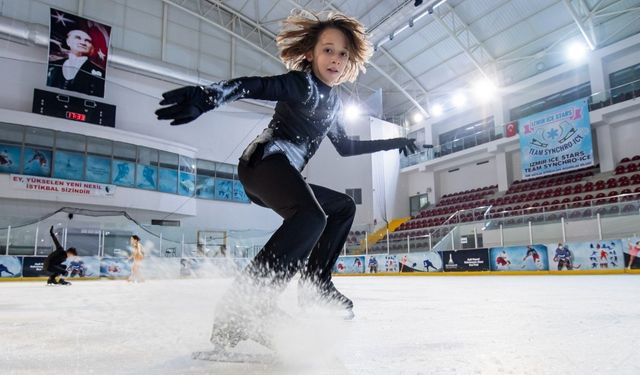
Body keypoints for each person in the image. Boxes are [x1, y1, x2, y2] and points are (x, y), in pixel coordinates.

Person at [156, 10, 417, 349]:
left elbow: (347, 146)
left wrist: (396, 141)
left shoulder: (333, 101)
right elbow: (253, 85)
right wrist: (209, 97)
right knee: (312, 217)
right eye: (328, 50)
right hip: (263, 163)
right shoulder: (301, 84)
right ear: (310, 53)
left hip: (282, 174)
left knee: (341, 208)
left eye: (342, 54)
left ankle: (314, 287)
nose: (335, 59)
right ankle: (243, 307)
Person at [47, 29, 106, 97]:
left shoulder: (100, 74)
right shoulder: (52, 66)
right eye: (78, 38)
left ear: (91, 47)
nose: (83, 42)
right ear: (68, 41)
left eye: (88, 41)